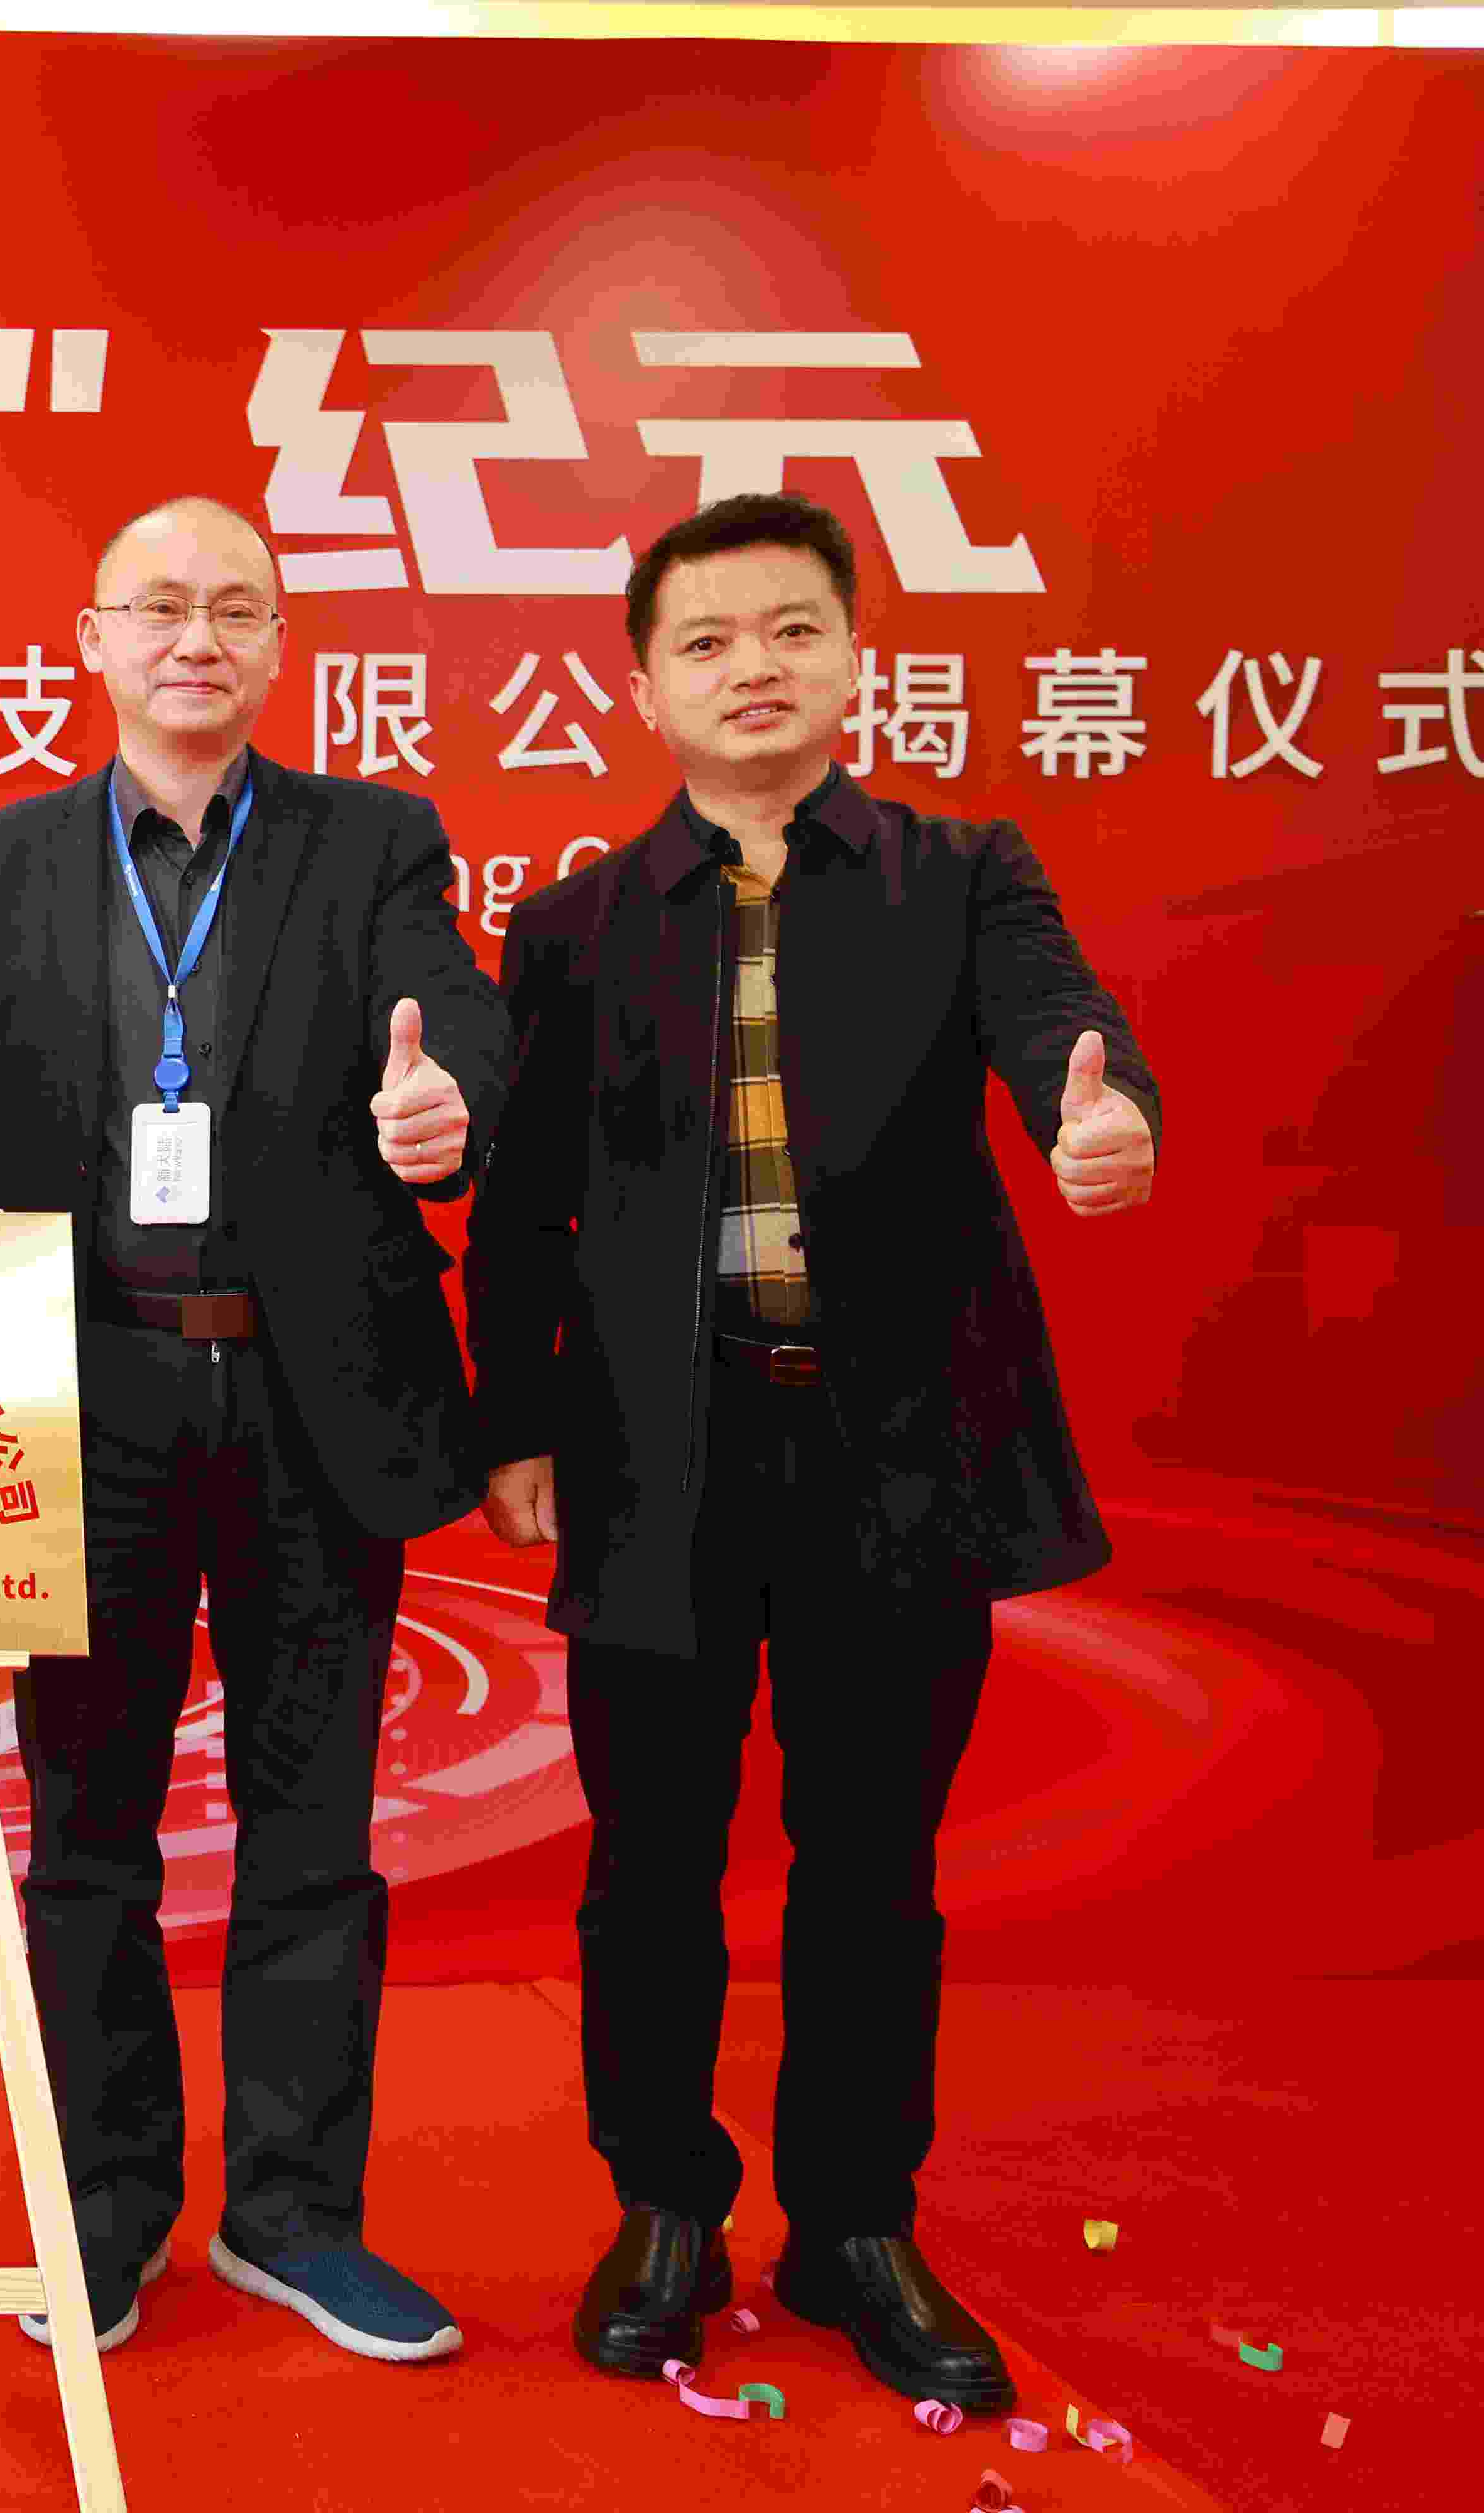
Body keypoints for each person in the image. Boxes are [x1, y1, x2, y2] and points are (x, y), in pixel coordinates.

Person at [466, 491, 1160, 2411]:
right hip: (656, 1459)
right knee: (650, 1866)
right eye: (706, 642)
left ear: (856, 658)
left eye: (790, 630)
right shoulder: (580, 927)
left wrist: (1103, 1120)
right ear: (644, 688)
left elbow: (1067, 1036)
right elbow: (522, 1209)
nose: (752, 669)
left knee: (873, 1863)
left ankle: (856, 2224)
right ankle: (664, 2207)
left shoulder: (961, 875)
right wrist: (513, 1420)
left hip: (898, 1456)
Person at [0, 494, 504, 2363]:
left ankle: (295, 2216)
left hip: (316, 1402)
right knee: (87, 1835)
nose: (197, 639)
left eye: (237, 609)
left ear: (279, 644)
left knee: (313, 1832)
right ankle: (103, 2204)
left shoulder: (372, 841)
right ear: (92, 639)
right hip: (87, 1409)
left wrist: (447, 1117)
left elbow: (456, 1031)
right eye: (159, 606)